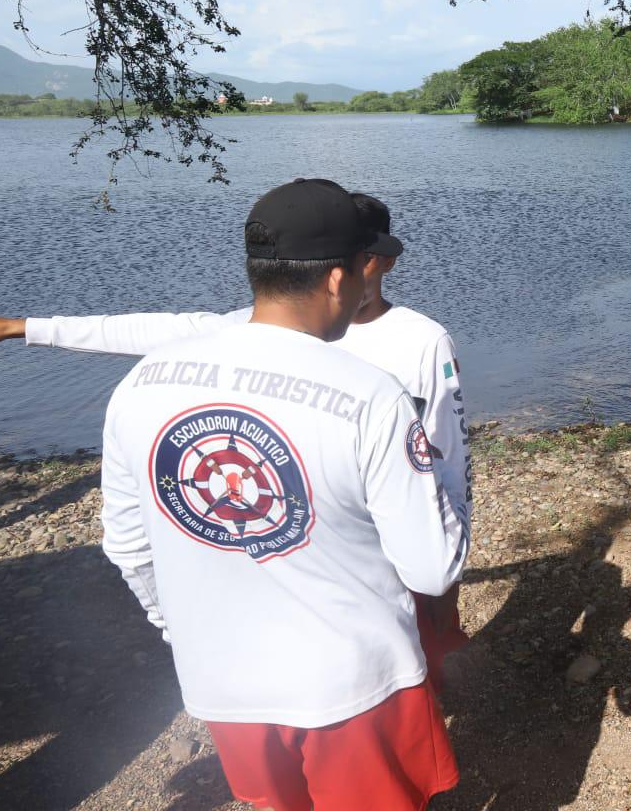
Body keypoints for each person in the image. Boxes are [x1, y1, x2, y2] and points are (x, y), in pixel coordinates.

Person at [0, 192, 473, 684]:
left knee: (422, 657)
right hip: (319, 552)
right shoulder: (251, 327)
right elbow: (139, 332)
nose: (347, 274)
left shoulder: (421, 341)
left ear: (383, 262)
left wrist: (446, 577)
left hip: (403, 529)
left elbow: (450, 454)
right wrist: (17, 328)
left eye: (365, 259)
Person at [101, 177, 467, 811]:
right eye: (360, 272)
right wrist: (450, 503)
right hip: (355, 688)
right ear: (337, 279)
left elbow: (128, 547)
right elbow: (431, 568)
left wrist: (178, 627)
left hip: (222, 682)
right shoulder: (369, 393)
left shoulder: (143, 381)